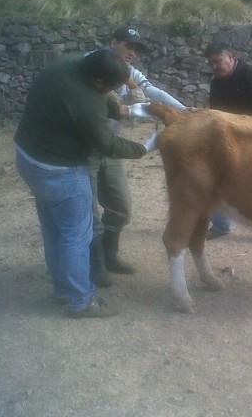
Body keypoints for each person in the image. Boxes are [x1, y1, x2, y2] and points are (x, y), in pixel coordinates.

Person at [14, 49, 157, 318]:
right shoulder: (86, 102)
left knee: (54, 228)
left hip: (29, 157)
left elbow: (105, 97)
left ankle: (62, 288)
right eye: (113, 88)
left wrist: (119, 110)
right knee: (76, 235)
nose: (114, 91)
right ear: (98, 82)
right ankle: (81, 301)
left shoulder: (68, 63)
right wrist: (144, 149)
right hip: (60, 170)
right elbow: (106, 143)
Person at [88, 27, 188, 287]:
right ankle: (95, 264)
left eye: (136, 48)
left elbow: (152, 92)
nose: (132, 52)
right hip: (82, 148)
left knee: (120, 207)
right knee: (87, 213)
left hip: (110, 147)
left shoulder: (130, 72)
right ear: (113, 42)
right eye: (128, 46)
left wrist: (185, 111)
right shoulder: (91, 64)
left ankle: (110, 256)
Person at [205, 41, 252, 249]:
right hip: (229, 140)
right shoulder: (216, 83)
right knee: (218, 181)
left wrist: (251, 139)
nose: (214, 67)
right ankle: (221, 225)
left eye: (218, 61)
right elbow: (217, 115)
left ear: (230, 57)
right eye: (211, 63)